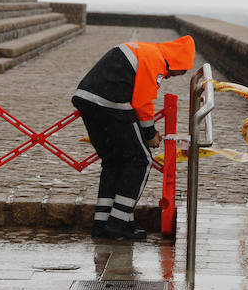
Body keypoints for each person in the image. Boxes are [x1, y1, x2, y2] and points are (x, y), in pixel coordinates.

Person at [72, 35, 196, 239]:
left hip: (87, 98)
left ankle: (102, 224)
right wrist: (150, 134)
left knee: (113, 162)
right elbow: (142, 101)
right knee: (142, 160)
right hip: (111, 103)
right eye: (179, 72)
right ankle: (118, 223)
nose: (171, 77)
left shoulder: (145, 50)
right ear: (177, 62)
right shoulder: (155, 60)